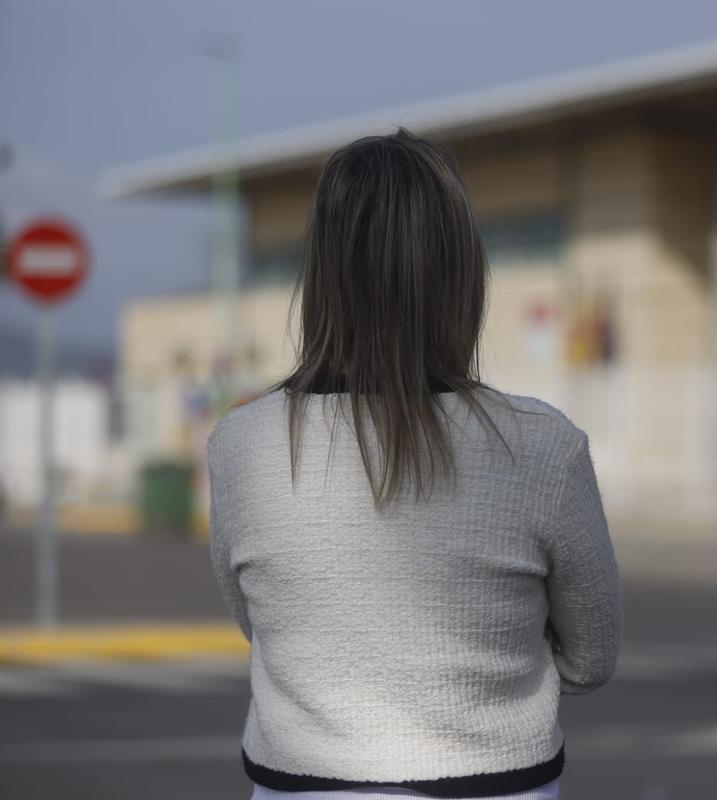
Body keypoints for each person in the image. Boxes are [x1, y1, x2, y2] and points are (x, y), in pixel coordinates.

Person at [206, 128, 622, 800]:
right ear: (461, 274)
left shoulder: (241, 446)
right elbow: (592, 657)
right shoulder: (544, 448)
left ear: (321, 274)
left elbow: (262, 623)